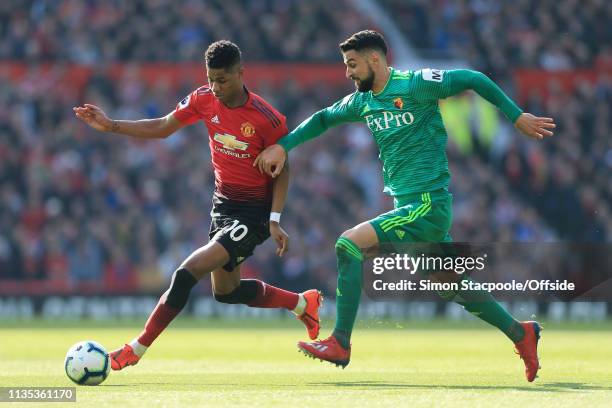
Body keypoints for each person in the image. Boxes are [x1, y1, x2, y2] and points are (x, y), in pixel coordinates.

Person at [254, 30, 556, 382]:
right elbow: (322, 119)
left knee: (348, 244)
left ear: (375, 60)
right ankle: (522, 333)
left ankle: (340, 342)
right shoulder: (362, 101)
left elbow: (472, 78)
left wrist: (515, 115)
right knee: (450, 282)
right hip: (410, 205)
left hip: (427, 204)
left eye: (352, 65)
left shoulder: (416, 85)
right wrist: (284, 146)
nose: (348, 73)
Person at [73, 40, 322, 371]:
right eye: (211, 79)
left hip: (254, 214)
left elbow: (283, 168)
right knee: (227, 293)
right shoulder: (203, 99)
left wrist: (274, 219)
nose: (216, 87)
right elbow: (164, 127)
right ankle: (303, 303)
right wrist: (112, 125)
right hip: (223, 208)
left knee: (186, 273)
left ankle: (137, 347)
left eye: (223, 79)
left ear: (240, 73)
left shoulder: (266, 118)